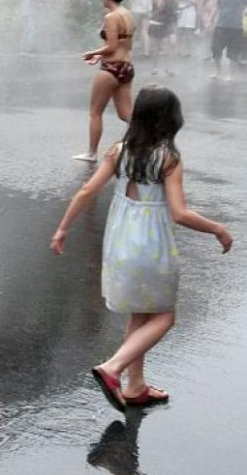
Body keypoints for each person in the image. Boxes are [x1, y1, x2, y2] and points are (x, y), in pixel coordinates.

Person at [51, 86, 232, 411]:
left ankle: (135, 386)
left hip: (120, 241)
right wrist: (217, 228)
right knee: (165, 316)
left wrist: (63, 228)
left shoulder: (118, 151)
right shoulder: (169, 158)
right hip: (152, 245)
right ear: (170, 119)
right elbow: (179, 213)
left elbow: (86, 191)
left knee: (141, 311)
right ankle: (113, 368)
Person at [73, 0, 136, 163]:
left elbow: (111, 46)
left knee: (95, 112)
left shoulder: (111, 17)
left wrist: (94, 52)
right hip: (126, 66)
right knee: (125, 114)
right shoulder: (128, 15)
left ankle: (91, 153)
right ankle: (152, 137)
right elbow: (125, 44)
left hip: (111, 68)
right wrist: (100, 56)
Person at [212, 0, 247, 81]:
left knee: (233, 52)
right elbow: (217, 7)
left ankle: (231, 74)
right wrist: (210, 20)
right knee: (216, 49)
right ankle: (218, 72)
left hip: (236, 26)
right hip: (221, 25)